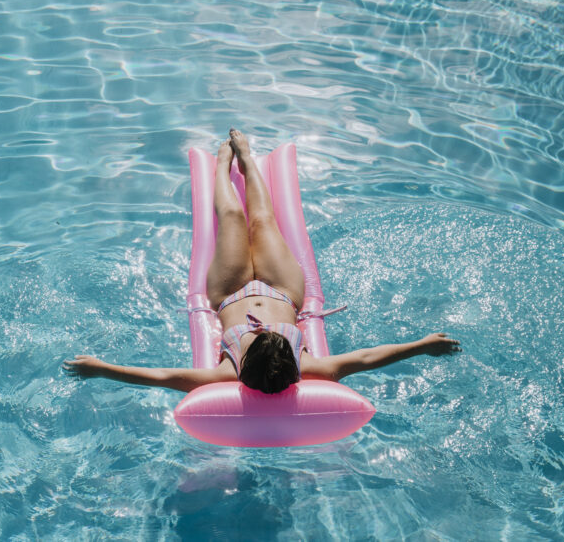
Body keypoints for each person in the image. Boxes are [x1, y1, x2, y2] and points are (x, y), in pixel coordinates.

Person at [63, 128, 460, 393]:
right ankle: (247, 160)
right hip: (283, 289)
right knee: (264, 220)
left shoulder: (226, 373)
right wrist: (421, 345)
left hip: (229, 291)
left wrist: (103, 369)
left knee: (233, 218)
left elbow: (164, 378)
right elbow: (366, 358)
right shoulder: (311, 368)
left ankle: (221, 166)